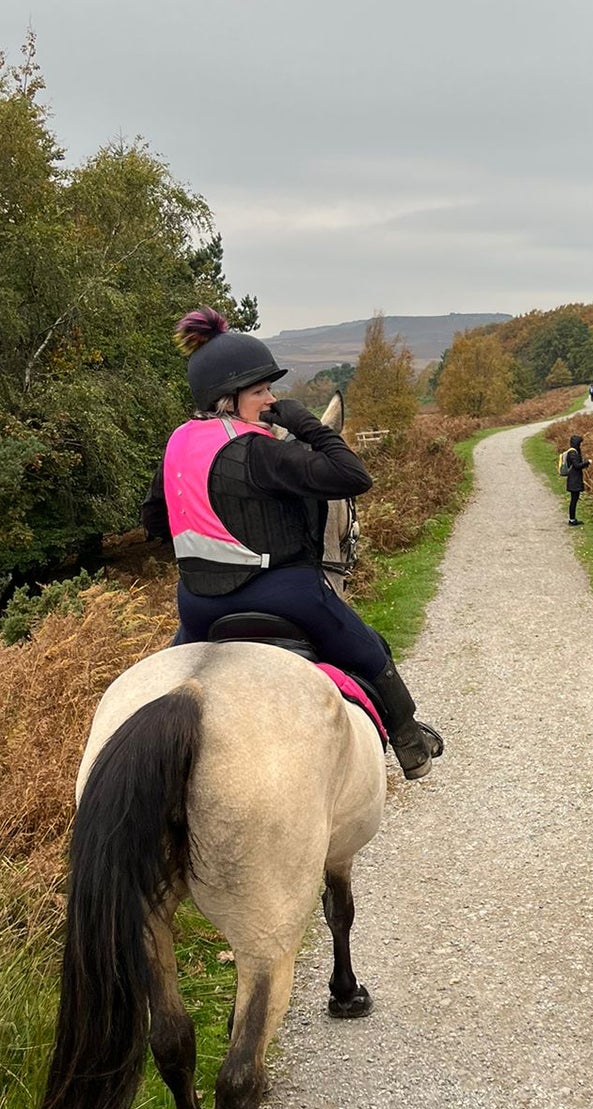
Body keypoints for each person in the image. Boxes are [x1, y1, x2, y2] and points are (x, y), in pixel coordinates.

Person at [140, 308, 444, 779]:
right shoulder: (260, 451)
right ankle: (410, 744)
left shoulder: (177, 443)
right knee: (369, 650)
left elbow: (155, 522)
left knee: (163, 681)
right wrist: (307, 426)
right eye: (260, 391)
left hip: (197, 605)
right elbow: (353, 477)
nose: (271, 399)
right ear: (228, 398)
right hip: (285, 594)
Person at [558, 434, 590, 525]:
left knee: (574, 500)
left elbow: (576, 465)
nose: (581, 445)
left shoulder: (573, 451)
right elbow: (577, 466)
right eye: (580, 443)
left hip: (573, 479)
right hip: (574, 480)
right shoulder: (573, 453)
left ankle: (572, 519)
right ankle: (572, 520)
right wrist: (587, 462)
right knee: (573, 500)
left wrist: (584, 464)